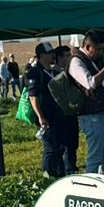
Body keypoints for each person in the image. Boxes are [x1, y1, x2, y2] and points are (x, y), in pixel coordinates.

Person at [70, 30, 104, 174]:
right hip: (92, 116)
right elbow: (90, 83)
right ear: (87, 47)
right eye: (97, 49)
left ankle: (103, 183)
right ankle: (92, 188)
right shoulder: (76, 61)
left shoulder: (95, 61)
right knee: (95, 157)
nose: (100, 52)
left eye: (102, 49)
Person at [27, 44, 71, 177]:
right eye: (49, 53)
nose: (53, 55)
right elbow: (32, 96)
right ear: (41, 56)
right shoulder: (34, 72)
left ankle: (60, 174)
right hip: (46, 117)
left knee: (60, 147)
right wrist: (40, 117)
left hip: (58, 116)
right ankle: (47, 176)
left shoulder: (54, 72)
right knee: (50, 148)